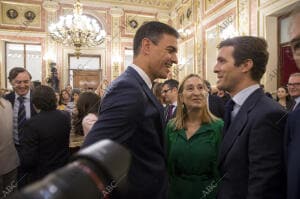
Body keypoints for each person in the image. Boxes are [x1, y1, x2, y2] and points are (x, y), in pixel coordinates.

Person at [82, 21, 179, 199]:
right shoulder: (128, 88)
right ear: (147, 46)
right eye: (170, 50)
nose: (175, 59)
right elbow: (94, 154)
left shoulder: (138, 86)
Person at [213, 36, 286, 199]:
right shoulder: (232, 107)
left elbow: (263, 187)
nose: (215, 68)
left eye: (222, 61)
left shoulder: (268, 114)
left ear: (246, 65)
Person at [165, 74, 223, 199]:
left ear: (206, 93)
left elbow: (223, 170)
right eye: (190, 88)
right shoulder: (171, 127)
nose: (197, 92)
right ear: (181, 97)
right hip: (176, 193)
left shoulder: (218, 126)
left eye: (201, 88)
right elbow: (167, 165)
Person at [18, 85, 70, 185]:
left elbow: (29, 159)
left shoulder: (32, 124)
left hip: (41, 176)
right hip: (63, 170)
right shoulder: (65, 117)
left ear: (35, 103)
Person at [4, 67, 37, 148]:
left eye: (26, 82)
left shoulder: (38, 98)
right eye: (18, 82)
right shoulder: (6, 101)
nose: (22, 86)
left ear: (30, 82)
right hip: (12, 148)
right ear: (11, 82)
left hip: (35, 148)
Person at [0, 97, 19, 198]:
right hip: (10, 161)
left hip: (8, 161)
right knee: (10, 194)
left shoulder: (7, 104)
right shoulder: (7, 104)